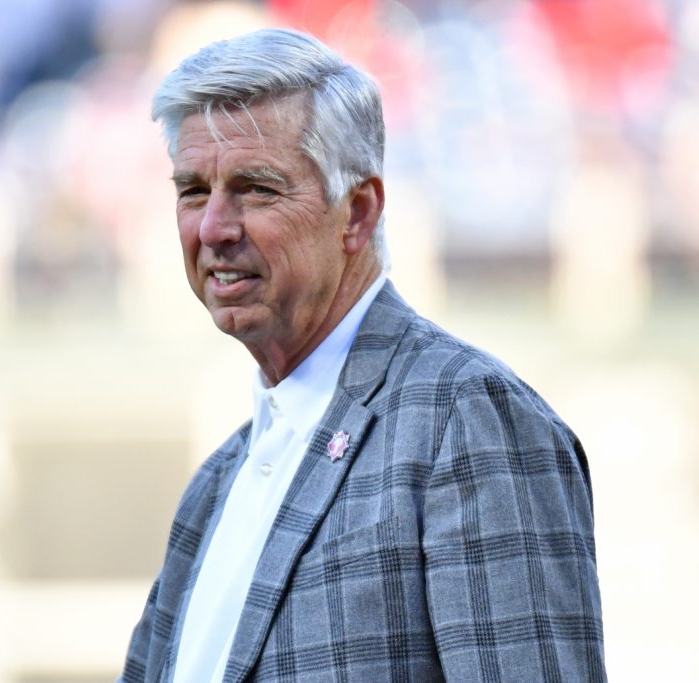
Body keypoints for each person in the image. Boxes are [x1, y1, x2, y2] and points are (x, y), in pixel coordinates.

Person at [120, 28, 605, 682]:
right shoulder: (212, 486)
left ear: (357, 212)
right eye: (194, 191)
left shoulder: (463, 418)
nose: (213, 227)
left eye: (256, 188)